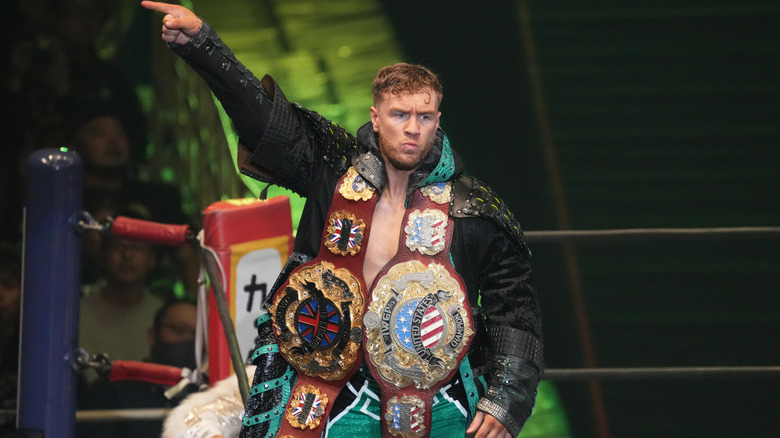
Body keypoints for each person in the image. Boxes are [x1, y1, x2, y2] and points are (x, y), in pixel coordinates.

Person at [142, 2, 543, 438]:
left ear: (438, 121)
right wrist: (203, 44)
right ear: (376, 117)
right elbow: (264, 123)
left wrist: (505, 399)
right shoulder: (331, 170)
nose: (412, 128)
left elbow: (515, 313)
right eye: (399, 115)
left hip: (438, 401)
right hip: (327, 393)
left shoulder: (474, 208)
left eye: (423, 117)